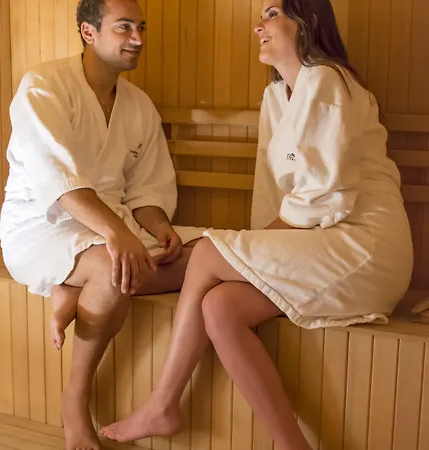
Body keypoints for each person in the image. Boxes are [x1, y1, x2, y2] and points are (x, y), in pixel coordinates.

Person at [99, 0, 414, 448]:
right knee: (220, 307)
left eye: (271, 13)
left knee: (208, 252)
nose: (258, 26)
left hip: (366, 248)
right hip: (321, 244)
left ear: (309, 20)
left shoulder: (328, 80)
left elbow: (327, 194)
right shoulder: (276, 97)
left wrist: (231, 250)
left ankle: (162, 404)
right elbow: (272, 194)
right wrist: (247, 251)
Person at [0, 0, 202, 449]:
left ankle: (71, 290)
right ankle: (75, 399)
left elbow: (146, 189)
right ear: (88, 32)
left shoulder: (138, 106)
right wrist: (118, 235)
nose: (138, 39)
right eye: (124, 27)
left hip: (114, 228)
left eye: (141, 27)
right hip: (41, 227)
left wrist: (160, 227)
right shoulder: (43, 85)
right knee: (115, 270)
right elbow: (57, 181)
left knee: (206, 258)